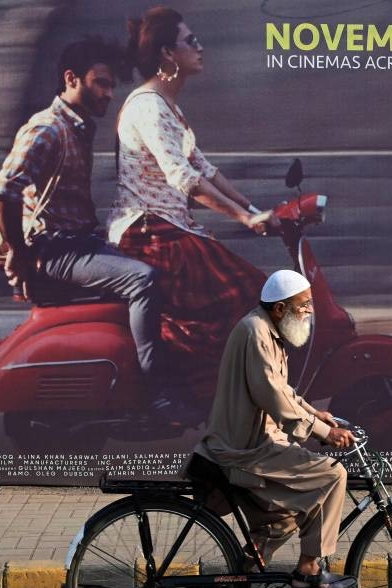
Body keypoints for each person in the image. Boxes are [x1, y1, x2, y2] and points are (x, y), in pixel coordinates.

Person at [0, 37, 191, 423]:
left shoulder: (77, 127)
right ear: (71, 79)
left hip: (79, 243)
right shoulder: (48, 129)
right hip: (57, 252)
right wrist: (20, 251)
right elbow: (4, 189)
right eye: (100, 82)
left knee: (167, 260)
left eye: (112, 85)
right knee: (143, 280)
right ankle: (158, 394)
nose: (109, 94)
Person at [108, 6, 269, 404]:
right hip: (148, 231)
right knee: (244, 292)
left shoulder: (169, 108)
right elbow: (186, 180)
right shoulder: (147, 106)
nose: (201, 48)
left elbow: (206, 169)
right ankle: (192, 391)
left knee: (252, 292)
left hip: (169, 228)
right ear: (167, 54)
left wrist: (258, 208)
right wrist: (245, 218)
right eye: (191, 41)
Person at [185, 270, 358, 588]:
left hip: (258, 443)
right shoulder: (256, 332)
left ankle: (245, 579)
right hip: (246, 449)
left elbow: (283, 390)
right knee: (333, 474)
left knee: (283, 518)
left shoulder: (268, 331)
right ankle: (308, 569)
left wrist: (314, 412)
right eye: (303, 304)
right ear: (280, 308)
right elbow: (271, 394)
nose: (309, 310)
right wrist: (322, 432)